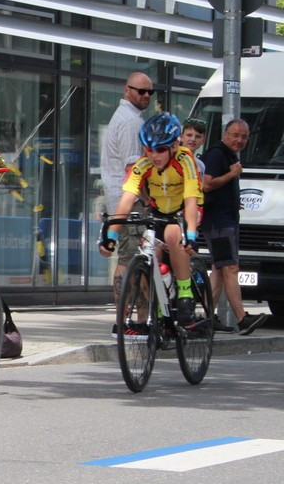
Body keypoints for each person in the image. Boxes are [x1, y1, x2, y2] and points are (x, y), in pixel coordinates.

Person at [99, 113, 202, 330]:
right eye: (149, 149)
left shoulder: (186, 161)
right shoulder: (143, 165)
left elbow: (191, 199)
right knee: (146, 253)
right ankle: (159, 307)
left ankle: (185, 292)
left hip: (185, 209)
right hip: (159, 211)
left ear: (174, 145)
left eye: (160, 150)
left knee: (174, 235)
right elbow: (125, 203)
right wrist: (111, 236)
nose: (154, 155)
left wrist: (191, 235)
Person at [201, 118, 268, 335]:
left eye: (244, 136)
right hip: (219, 223)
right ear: (225, 134)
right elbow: (206, 184)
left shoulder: (227, 155)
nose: (239, 140)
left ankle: (207, 318)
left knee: (220, 270)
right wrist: (232, 174)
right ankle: (242, 319)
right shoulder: (217, 154)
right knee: (230, 268)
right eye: (235, 135)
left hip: (225, 219)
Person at [100, 73, 155, 330]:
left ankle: (125, 321)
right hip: (129, 200)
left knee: (127, 257)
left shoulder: (124, 117)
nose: (145, 96)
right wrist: (146, 198)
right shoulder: (131, 122)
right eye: (140, 91)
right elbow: (134, 167)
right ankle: (136, 322)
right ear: (126, 90)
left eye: (149, 93)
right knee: (134, 258)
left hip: (120, 198)